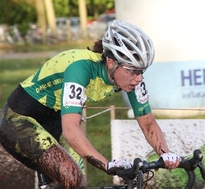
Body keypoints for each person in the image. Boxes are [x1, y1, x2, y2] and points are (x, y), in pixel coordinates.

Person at [0, 20, 181, 188]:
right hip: (21, 118)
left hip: (55, 120)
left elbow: (147, 122)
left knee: (78, 182)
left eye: (142, 71)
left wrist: (164, 153)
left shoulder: (131, 80)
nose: (139, 78)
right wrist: (107, 165)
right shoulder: (81, 68)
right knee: (70, 175)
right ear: (111, 63)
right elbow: (71, 129)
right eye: (133, 71)